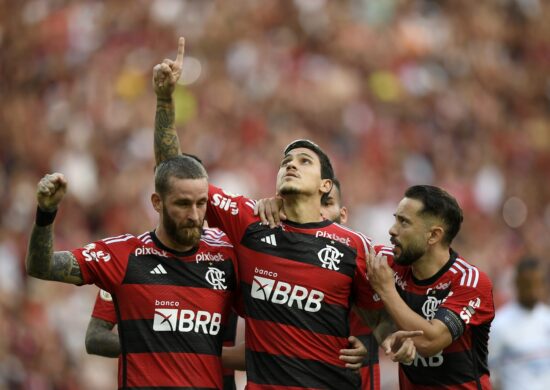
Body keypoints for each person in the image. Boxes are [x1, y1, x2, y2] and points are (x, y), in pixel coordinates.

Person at [152, 37, 419, 389]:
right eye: (286, 162)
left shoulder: (354, 247)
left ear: (326, 186)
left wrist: (382, 341)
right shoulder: (250, 221)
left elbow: (374, 315)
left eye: (304, 161)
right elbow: (174, 173)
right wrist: (164, 100)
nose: (291, 165)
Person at [25, 155, 239, 389]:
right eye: (183, 204)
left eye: (201, 203)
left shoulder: (227, 254)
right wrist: (46, 214)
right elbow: (40, 267)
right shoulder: (124, 256)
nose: (195, 216)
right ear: (157, 202)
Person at [366, 185, 495, 389]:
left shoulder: (470, 281)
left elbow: (429, 342)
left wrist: (386, 291)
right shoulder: (390, 262)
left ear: (433, 235)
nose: (392, 229)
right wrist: (369, 337)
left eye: (404, 222)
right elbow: (345, 249)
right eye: (395, 218)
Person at [85, 288, 242, 389]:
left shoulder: (226, 261)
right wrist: (159, 347)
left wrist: (195, 355)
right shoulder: (124, 259)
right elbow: (94, 337)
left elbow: (261, 347)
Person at [320, 178, 380, 390]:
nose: (319, 212)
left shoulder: (369, 259)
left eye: (326, 203)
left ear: (343, 214)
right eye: (312, 202)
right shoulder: (277, 258)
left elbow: (392, 335)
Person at [489, 256, 550, 390]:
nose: (534, 290)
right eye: (528, 284)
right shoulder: (499, 325)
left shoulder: (547, 318)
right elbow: (489, 374)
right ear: (517, 283)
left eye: (538, 283)